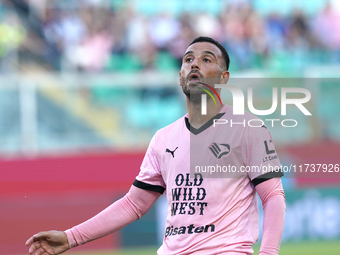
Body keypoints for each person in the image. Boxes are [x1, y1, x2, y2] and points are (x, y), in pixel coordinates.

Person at [26, 36, 285, 255]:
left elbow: (273, 196)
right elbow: (133, 204)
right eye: (188, 60)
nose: (195, 63)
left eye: (207, 59)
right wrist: (71, 237)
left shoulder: (247, 130)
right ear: (180, 75)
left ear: (223, 77)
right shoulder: (164, 138)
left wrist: (269, 251)